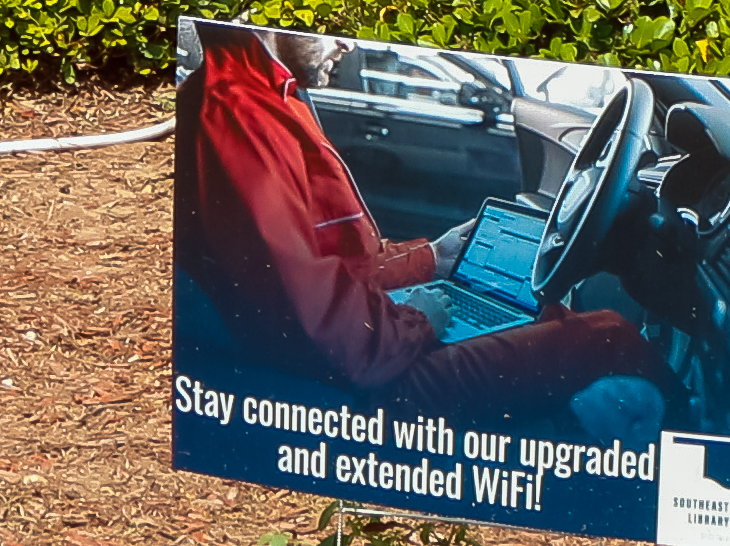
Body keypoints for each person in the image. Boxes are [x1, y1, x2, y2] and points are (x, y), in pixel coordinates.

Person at [177, 28, 651, 414]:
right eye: (331, 28)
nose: (349, 44)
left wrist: (430, 259)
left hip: (357, 351)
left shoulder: (264, 96)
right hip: (365, 385)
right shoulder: (238, 112)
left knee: (549, 317)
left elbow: (323, 269)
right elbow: (305, 310)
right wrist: (417, 320)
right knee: (608, 333)